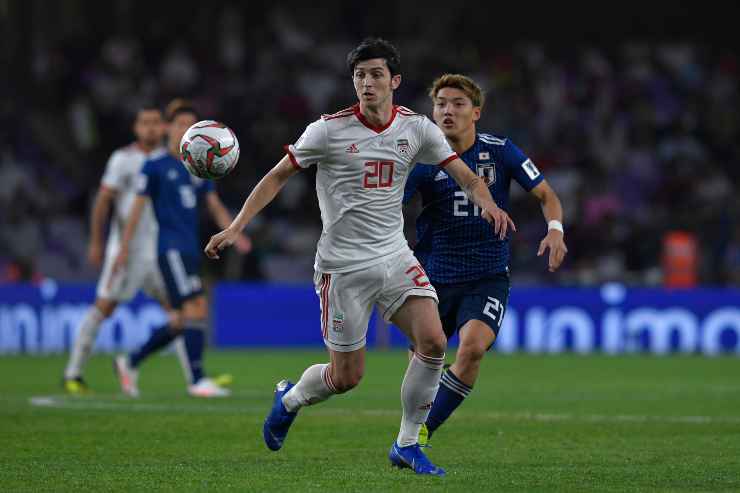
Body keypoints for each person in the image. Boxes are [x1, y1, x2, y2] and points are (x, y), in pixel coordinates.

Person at [204, 38, 514, 476]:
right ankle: (290, 398)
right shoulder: (327, 131)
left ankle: (407, 443)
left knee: (433, 342)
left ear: (395, 81)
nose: (367, 83)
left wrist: (488, 202)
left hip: (394, 255)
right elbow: (277, 177)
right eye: (360, 75)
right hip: (342, 266)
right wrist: (236, 227)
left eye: (375, 75)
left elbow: (465, 175)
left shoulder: (416, 128)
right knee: (346, 377)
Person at [403, 74, 567, 445]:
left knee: (473, 347)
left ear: (476, 112)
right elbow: (393, 206)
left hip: (487, 275)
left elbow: (546, 194)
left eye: (458, 103)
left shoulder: (501, 150)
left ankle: (423, 433)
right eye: (441, 103)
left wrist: (555, 228)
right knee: (422, 361)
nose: (448, 110)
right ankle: (412, 429)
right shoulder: (422, 159)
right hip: (433, 278)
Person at [113, 99, 251, 398]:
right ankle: (197, 380)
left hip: (190, 248)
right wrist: (123, 249)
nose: (183, 130)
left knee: (179, 320)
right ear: (167, 129)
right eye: (178, 124)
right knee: (196, 307)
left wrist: (235, 231)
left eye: (189, 125)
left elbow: (213, 205)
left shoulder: (199, 168)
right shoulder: (156, 166)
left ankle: (130, 361)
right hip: (170, 248)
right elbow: (136, 209)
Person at [62, 106, 178, 394]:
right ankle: (73, 373)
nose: (150, 128)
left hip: (159, 250)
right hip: (126, 251)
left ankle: (197, 380)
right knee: (105, 306)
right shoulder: (123, 160)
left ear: (163, 127)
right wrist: (97, 241)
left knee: (184, 312)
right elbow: (102, 202)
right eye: (144, 123)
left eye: (155, 122)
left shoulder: (171, 161)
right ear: (136, 128)